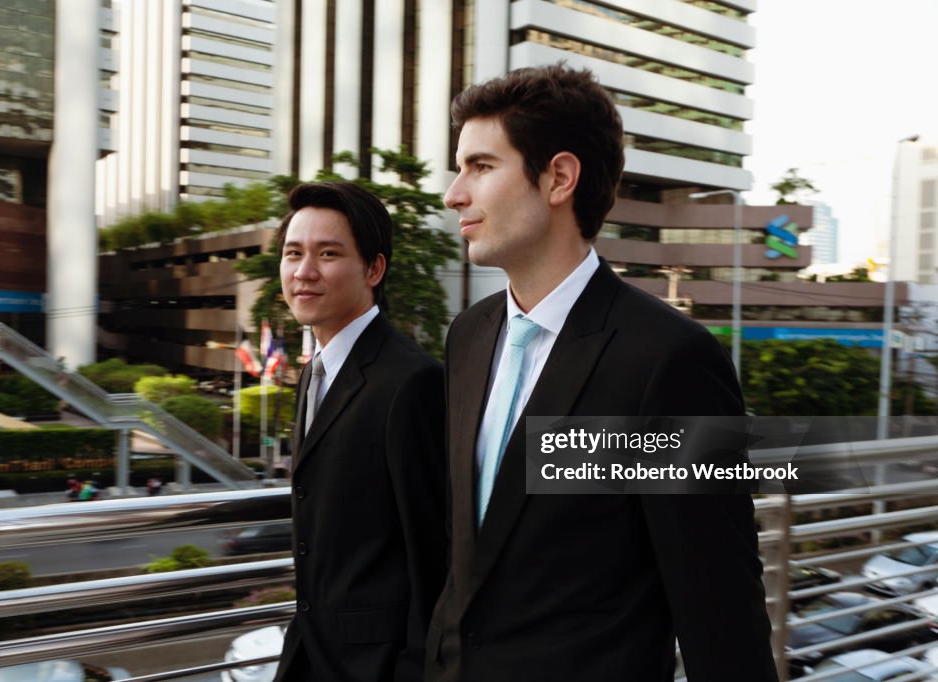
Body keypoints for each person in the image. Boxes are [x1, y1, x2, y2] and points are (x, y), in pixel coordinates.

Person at [425, 63, 778, 681]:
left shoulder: (672, 360)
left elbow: (720, 609)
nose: (455, 193)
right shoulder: (467, 337)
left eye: (480, 167)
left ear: (559, 177)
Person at [273, 181, 446, 682]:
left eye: (328, 254)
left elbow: (433, 556)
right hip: (312, 652)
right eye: (293, 254)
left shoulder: (412, 381)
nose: (304, 272)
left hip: (376, 667)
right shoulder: (314, 370)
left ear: (374, 268)